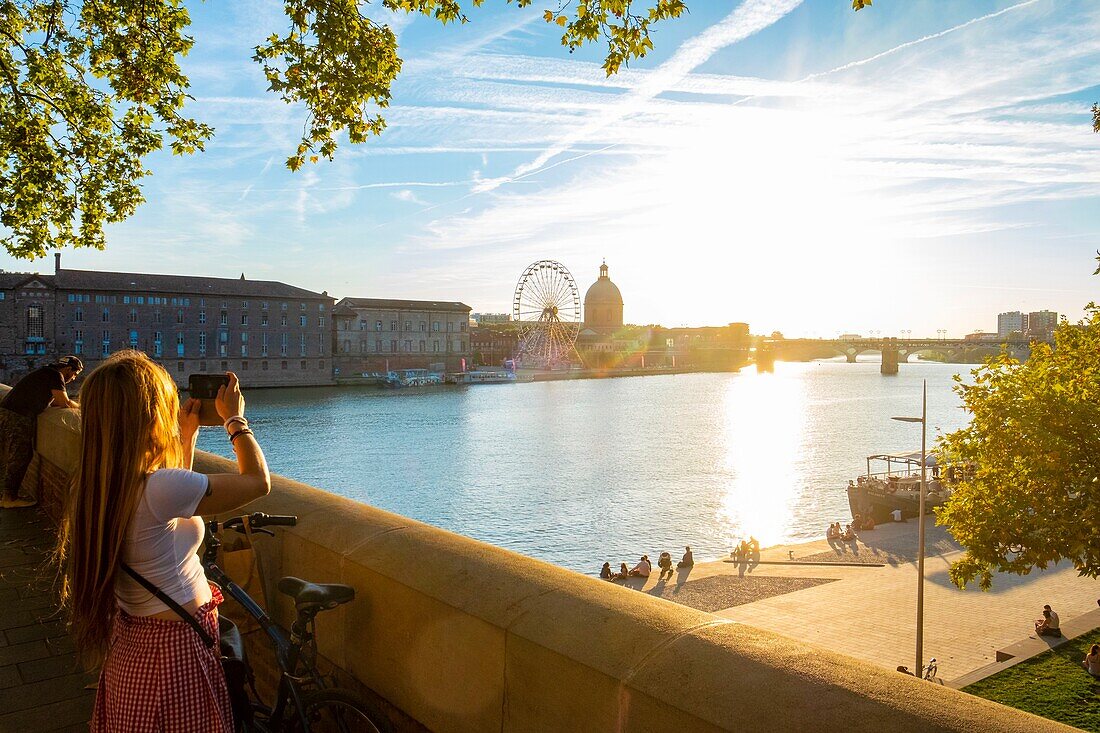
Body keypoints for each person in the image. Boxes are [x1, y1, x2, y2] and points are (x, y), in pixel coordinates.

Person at [56, 352, 271, 732]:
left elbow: (164, 521)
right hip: (175, 655)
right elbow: (257, 483)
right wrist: (235, 421)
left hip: (138, 645)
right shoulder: (159, 488)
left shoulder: (101, 483)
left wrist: (187, 438)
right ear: (149, 415)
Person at [0, 356, 82, 508]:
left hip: (9, 412)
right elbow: (63, 402)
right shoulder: (56, 375)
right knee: (20, 455)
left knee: (16, 453)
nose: (74, 378)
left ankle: (7, 494)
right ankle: (8, 498)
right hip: (19, 416)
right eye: (75, 374)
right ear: (69, 369)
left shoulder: (46, 372)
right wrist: (81, 407)